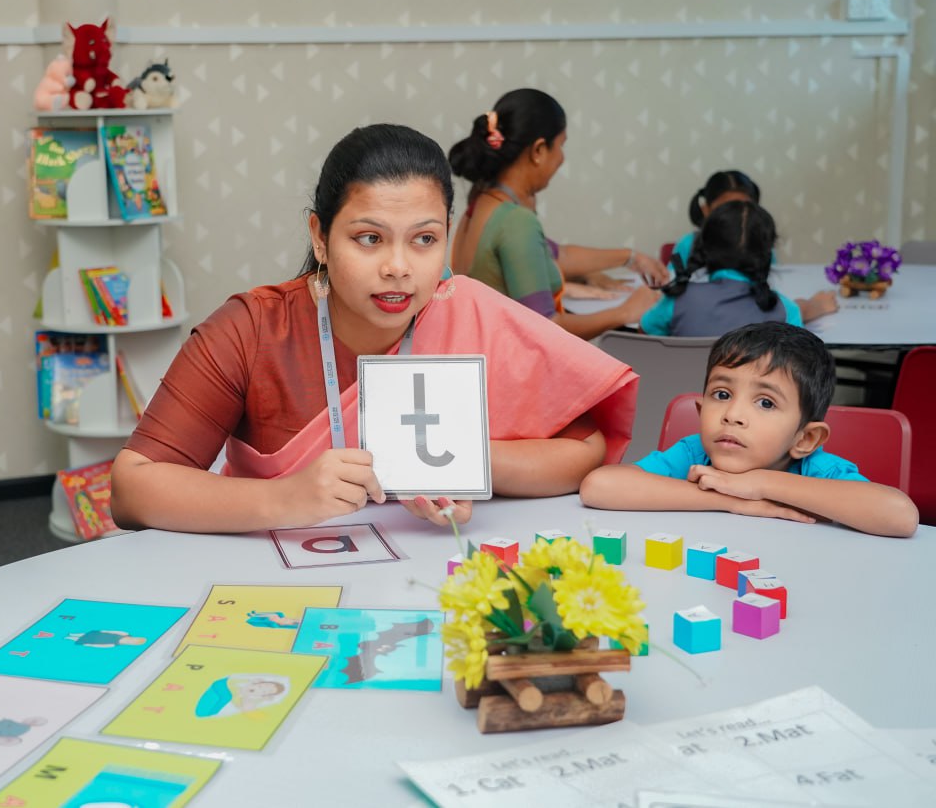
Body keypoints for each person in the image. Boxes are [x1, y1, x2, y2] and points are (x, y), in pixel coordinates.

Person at [111, 124, 639, 534]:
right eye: (369, 239)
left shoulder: (471, 310)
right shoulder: (251, 329)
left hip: (424, 582)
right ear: (320, 236)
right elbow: (133, 489)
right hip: (273, 587)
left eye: (424, 240)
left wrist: (453, 461)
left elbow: (585, 450)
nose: (398, 267)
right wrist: (287, 498)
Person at [579, 322, 918, 537]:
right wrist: (730, 500)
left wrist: (761, 484)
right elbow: (599, 486)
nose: (733, 415)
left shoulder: (816, 469)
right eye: (722, 395)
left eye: (766, 403)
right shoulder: (695, 452)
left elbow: (900, 516)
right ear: (701, 410)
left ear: (806, 438)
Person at [447, 88, 669, 339]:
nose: (562, 159)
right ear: (539, 150)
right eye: (561, 146)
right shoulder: (516, 221)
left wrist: (631, 257)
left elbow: (557, 254)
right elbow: (545, 327)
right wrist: (625, 312)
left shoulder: (481, 203)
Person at [641, 200, 836, 336]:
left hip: (680, 396)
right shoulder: (785, 311)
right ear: (768, 253)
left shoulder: (675, 301)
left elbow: (645, 334)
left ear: (704, 247)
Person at [669, 169, 762, 275]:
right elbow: (671, 286)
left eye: (742, 209)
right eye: (725, 210)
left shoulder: (762, 245)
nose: (734, 217)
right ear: (706, 210)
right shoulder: (687, 245)